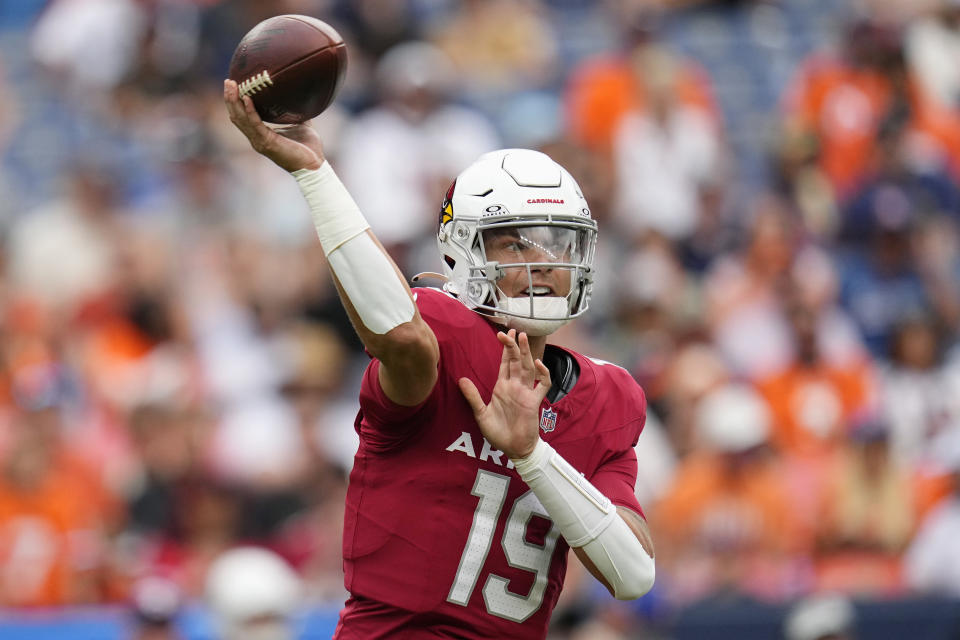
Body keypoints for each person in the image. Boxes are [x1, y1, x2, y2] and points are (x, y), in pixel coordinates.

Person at [223, 77, 655, 639]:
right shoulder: (440, 336)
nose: (545, 261)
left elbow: (634, 574)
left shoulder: (608, 397)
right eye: (516, 241)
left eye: (559, 242)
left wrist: (530, 455)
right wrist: (314, 174)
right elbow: (400, 336)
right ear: (464, 252)